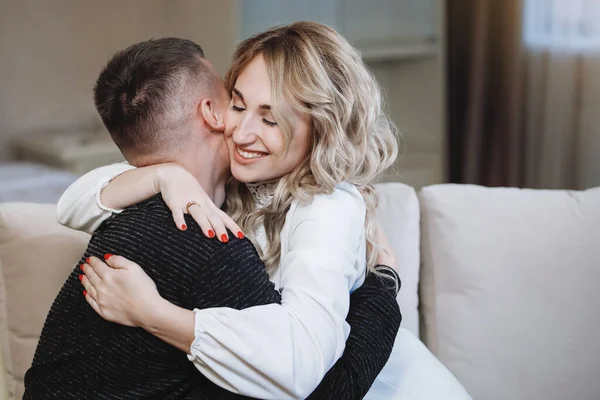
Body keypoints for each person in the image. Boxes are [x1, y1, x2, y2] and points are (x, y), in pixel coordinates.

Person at [23, 36, 401, 399]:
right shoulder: (208, 193)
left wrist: (155, 314)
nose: (241, 132)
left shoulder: (324, 207)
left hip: (346, 369)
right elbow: (72, 201)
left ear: (322, 127)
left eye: (271, 120)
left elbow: (305, 370)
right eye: (238, 105)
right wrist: (166, 175)